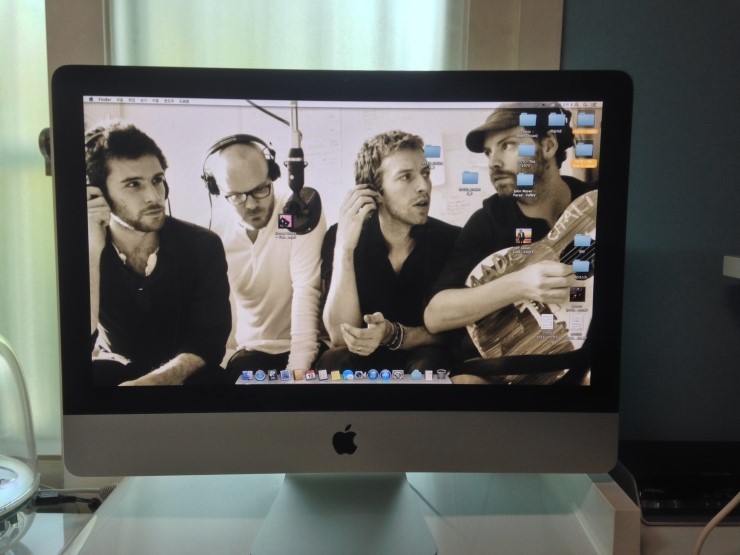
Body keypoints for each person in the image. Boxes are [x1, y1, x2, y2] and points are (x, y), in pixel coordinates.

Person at [424, 105, 597, 383]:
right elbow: (435, 316)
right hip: (500, 369)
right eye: (488, 152)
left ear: (548, 145)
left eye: (507, 145)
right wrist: (520, 283)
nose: (493, 162)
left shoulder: (595, 204)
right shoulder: (488, 222)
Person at [86, 121, 231, 386]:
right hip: (116, 372)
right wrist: (92, 250)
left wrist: (150, 384)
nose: (154, 197)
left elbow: (209, 341)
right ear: (98, 193)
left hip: (187, 377)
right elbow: (76, 345)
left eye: (157, 180)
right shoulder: (89, 249)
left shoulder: (202, 245)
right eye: (133, 185)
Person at [319, 130, 460, 373]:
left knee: (429, 363)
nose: (423, 186)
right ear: (375, 191)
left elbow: (457, 333)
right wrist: (345, 249)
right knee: (334, 361)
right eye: (406, 177)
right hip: (366, 362)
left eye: (425, 174)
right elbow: (340, 335)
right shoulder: (341, 236)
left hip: (426, 360)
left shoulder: (452, 240)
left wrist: (394, 335)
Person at [205, 136, 326, 379]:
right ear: (217, 190)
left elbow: (306, 289)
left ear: (273, 175)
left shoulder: (294, 213)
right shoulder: (214, 232)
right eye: (236, 196)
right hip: (251, 351)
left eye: (260, 189)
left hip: (306, 346)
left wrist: (296, 373)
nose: (251, 205)